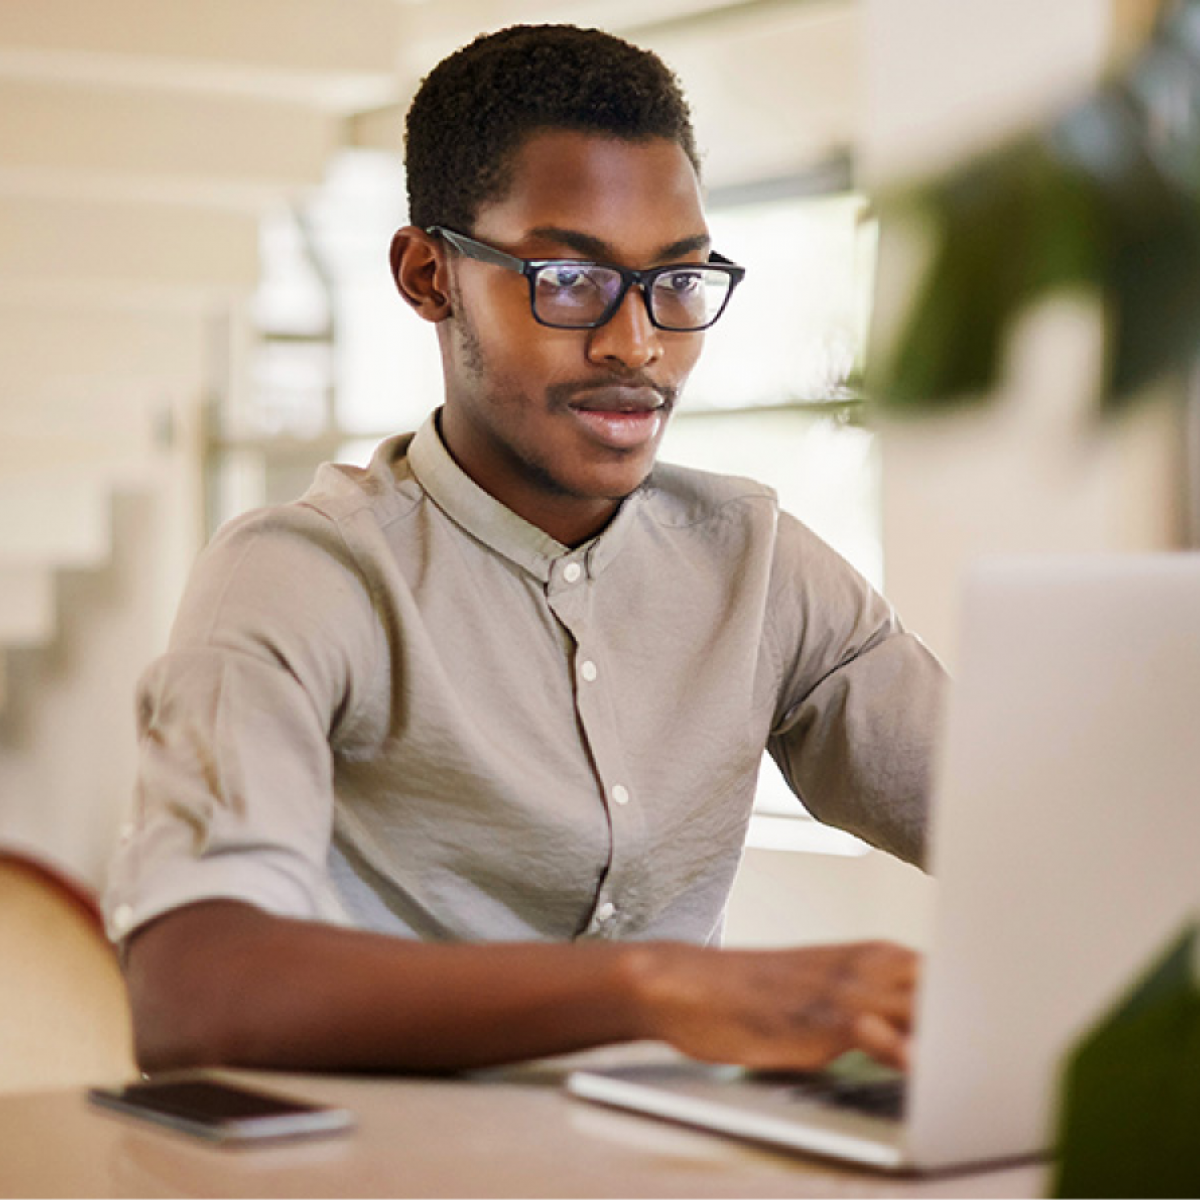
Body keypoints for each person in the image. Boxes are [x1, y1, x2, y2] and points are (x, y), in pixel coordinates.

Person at [106, 24, 946, 1077]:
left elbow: (1033, 825)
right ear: (428, 276)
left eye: (678, 285)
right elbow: (195, 992)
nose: (636, 345)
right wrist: (650, 990)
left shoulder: (762, 565)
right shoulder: (302, 577)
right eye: (568, 277)